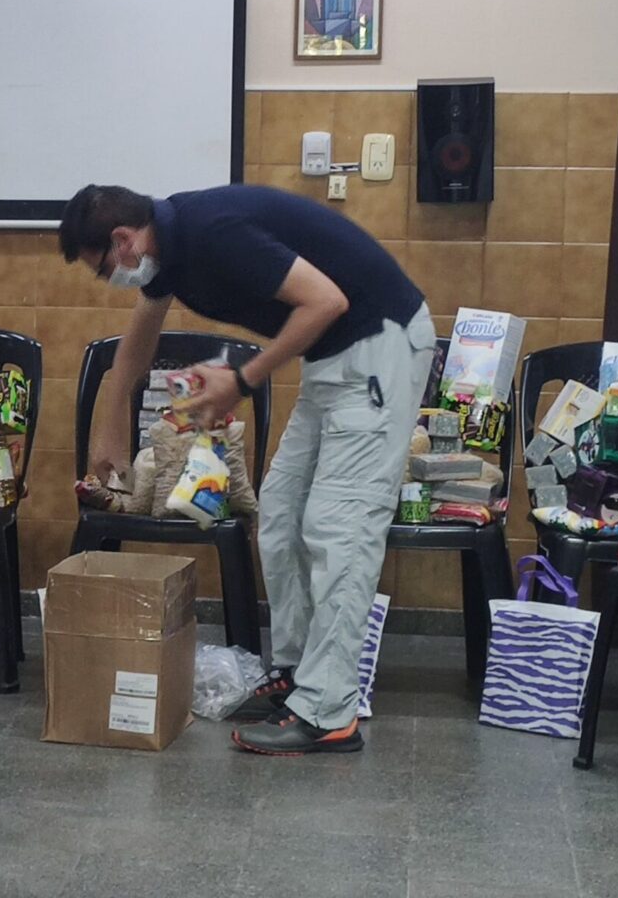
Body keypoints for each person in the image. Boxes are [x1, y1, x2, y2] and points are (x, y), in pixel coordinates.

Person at [61, 183, 433, 756]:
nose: (110, 279)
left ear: (124, 240)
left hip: (379, 349)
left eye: (104, 268)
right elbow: (140, 335)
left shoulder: (212, 232)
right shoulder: (169, 247)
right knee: (280, 515)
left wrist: (241, 380)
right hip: (335, 359)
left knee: (341, 529)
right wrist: (110, 425)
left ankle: (329, 712)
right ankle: (297, 676)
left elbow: (326, 301)